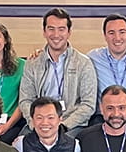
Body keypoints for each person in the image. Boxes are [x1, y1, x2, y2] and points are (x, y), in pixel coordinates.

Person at [19, 7, 96, 136]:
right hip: (40, 123)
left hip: (71, 125)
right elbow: (25, 100)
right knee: (20, 145)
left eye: (61, 29)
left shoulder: (83, 63)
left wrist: (63, 125)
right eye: (51, 29)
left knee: (63, 147)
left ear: (69, 32)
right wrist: (36, 123)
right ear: (44, 32)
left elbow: (88, 105)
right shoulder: (33, 63)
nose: (56, 35)